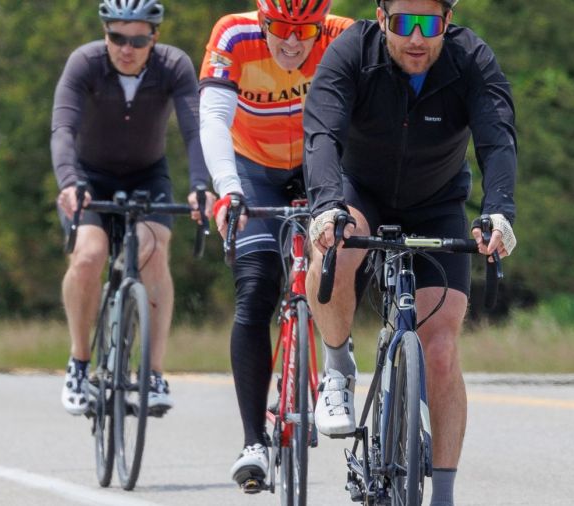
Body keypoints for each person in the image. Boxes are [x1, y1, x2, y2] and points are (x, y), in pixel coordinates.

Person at [302, 0, 517, 504]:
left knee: (440, 349)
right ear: (381, 18)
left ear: (448, 20)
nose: (417, 38)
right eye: (404, 23)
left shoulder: (471, 59)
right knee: (340, 240)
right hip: (360, 193)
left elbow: (497, 141)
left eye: (430, 23)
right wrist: (326, 206)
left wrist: (499, 211)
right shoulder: (351, 51)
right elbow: (322, 135)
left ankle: (442, 493)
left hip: (436, 202)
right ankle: (337, 368)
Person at [198, 0, 353, 489]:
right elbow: (213, 120)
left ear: (319, 25)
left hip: (319, 166)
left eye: (303, 31)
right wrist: (229, 190)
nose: (291, 42)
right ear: (261, 21)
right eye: (279, 30)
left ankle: (333, 366)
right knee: (257, 286)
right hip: (252, 171)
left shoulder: (342, 36)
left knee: (342, 261)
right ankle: (252, 442)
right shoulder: (233, 37)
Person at [51, 0, 213, 417]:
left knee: (154, 251)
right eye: (117, 37)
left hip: (147, 176)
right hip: (90, 177)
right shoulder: (85, 63)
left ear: (154, 37)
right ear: (105, 33)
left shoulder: (173, 65)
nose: (127, 48)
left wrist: (199, 186)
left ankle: (154, 372)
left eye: (138, 39)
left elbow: (195, 132)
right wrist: (69, 183)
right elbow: (63, 129)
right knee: (88, 256)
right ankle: (79, 361)